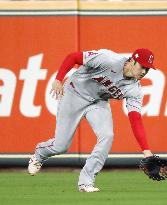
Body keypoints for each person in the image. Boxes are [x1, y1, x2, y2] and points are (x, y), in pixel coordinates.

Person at [28, 48, 155, 192]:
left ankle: (86, 182)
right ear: (132, 61)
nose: (144, 72)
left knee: (107, 136)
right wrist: (58, 79)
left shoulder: (134, 90)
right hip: (74, 94)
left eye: (148, 69)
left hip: (98, 102)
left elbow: (135, 118)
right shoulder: (108, 59)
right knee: (60, 146)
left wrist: (146, 151)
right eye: (142, 66)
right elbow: (73, 57)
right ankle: (39, 154)